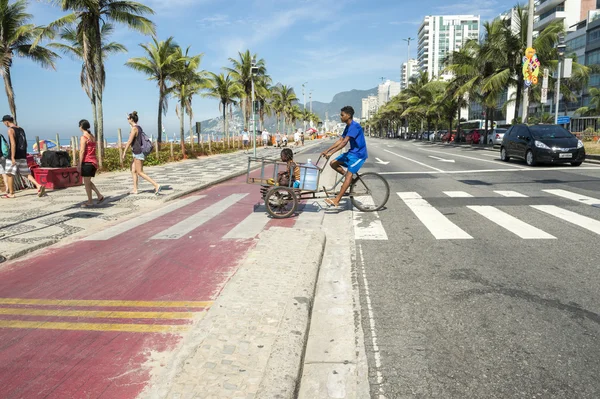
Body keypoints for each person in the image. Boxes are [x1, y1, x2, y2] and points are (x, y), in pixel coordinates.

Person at [321, 106, 368, 208]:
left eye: (342, 115)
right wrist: (327, 150)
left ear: (348, 115)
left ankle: (337, 200)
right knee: (333, 163)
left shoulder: (354, 126)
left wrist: (331, 152)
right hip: (352, 153)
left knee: (348, 176)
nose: (340, 117)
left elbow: (344, 143)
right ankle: (349, 180)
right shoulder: (348, 126)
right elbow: (340, 140)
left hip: (359, 155)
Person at [1, 115, 46, 199]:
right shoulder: (21, 129)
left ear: (6, 122)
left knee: (9, 174)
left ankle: (11, 193)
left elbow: (13, 144)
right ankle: (38, 185)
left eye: (4, 123)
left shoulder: (10, 130)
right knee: (25, 173)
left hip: (15, 154)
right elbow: (25, 142)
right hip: (22, 154)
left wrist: (13, 157)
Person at [122, 111, 161, 195]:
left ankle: (156, 185)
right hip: (137, 152)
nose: (127, 120)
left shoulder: (134, 129)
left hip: (138, 152)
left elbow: (129, 141)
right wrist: (131, 124)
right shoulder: (138, 127)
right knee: (133, 169)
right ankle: (135, 189)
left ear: (131, 119)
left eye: (128, 118)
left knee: (140, 172)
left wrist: (124, 152)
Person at [78, 119, 104, 207]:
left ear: (81, 127)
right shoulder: (92, 136)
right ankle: (99, 195)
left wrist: (79, 164)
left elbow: (82, 151)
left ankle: (90, 201)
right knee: (88, 181)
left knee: (86, 183)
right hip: (93, 161)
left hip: (87, 162)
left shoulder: (83, 137)